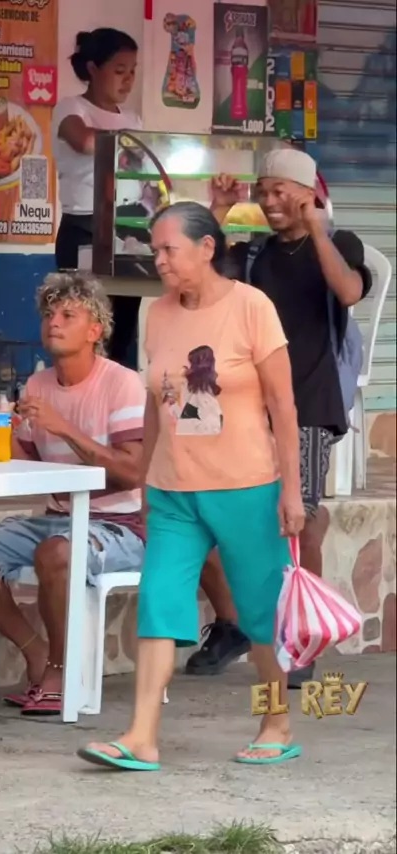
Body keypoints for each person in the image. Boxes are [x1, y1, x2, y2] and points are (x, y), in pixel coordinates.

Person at [78, 201, 305, 771]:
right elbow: (156, 404)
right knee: (159, 602)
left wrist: (291, 491)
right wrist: (145, 482)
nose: (159, 260)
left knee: (259, 613)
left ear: (207, 249)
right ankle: (141, 737)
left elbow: (283, 406)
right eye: (154, 249)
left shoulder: (252, 308)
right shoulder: (157, 313)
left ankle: (276, 722)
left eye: (168, 249)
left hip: (246, 486)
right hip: (174, 490)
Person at [185, 148, 372, 686]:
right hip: (248, 404)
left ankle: (301, 635)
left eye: (279, 192)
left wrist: (316, 226)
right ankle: (236, 625)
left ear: (307, 193)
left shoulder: (339, 244)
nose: (268, 201)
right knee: (217, 513)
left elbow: (349, 291)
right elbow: (199, 283)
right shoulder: (254, 255)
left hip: (309, 401)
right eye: (261, 191)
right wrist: (218, 213)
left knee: (299, 519)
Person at [0, 272, 146, 716]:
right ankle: (37, 653)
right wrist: (4, 438)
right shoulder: (38, 386)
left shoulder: (122, 384)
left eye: (67, 315)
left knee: (56, 553)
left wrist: (64, 428)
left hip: (122, 526)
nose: (53, 322)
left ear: (94, 330)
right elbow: (33, 468)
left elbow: (133, 472)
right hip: (59, 518)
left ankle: (60, 672)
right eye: (49, 314)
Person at [52, 27, 146, 367]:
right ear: (93, 69)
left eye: (132, 70)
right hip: (84, 229)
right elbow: (86, 142)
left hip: (129, 230)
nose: (128, 79)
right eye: (119, 70)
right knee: (82, 332)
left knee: (120, 336)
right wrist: (130, 143)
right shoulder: (71, 108)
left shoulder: (133, 119)